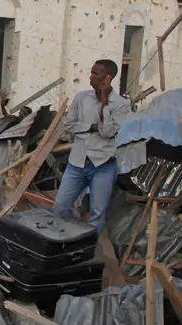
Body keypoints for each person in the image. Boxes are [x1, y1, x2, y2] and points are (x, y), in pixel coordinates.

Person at [53, 60, 130, 233]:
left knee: (96, 214)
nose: (91, 76)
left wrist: (104, 103)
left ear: (108, 77)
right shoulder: (81, 97)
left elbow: (108, 132)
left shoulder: (121, 104)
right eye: (91, 72)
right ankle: (58, 244)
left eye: (95, 73)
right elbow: (68, 125)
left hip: (103, 165)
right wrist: (91, 126)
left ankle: (87, 252)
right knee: (59, 207)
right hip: (77, 163)